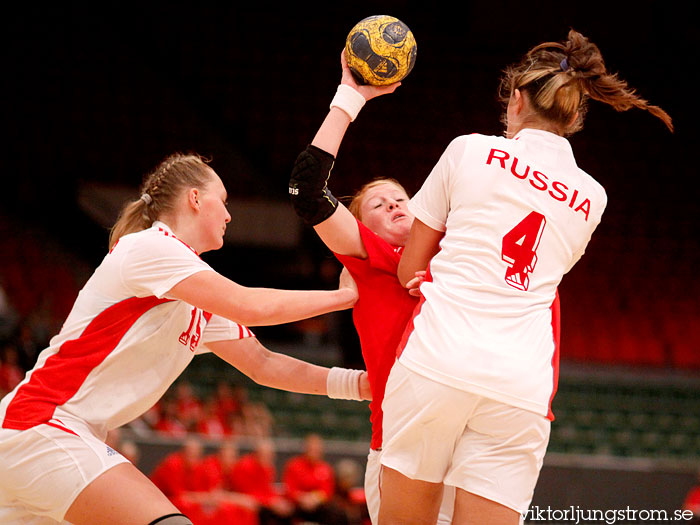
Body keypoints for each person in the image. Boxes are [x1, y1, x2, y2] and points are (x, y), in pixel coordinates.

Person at [377, 29, 673, 525]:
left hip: (437, 359)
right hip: (520, 385)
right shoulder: (593, 197)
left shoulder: (468, 150)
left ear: (516, 100)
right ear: (576, 114)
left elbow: (410, 265)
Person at [0, 152, 372, 525]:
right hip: (44, 425)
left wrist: (361, 385)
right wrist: (342, 297)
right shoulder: (151, 247)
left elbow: (264, 364)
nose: (228, 215)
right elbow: (249, 305)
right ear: (194, 199)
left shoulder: (191, 292)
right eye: (223, 202)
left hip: (46, 437)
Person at [288, 51, 457, 523]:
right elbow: (306, 189)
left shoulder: (456, 252)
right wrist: (350, 97)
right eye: (379, 205)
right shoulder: (368, 259)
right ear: (363, 230)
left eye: (400, 198)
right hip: (400, 443)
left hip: (464, 444)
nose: (395, 205)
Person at [282, 433, 338, 523]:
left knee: (336, 512)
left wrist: (315, 498)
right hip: (297, 504)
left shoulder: (325, 468)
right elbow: (290, 489)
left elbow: (327, 491)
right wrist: (302, 498)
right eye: (312, 448)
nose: (314, 451)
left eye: (317, 449)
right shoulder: (293, 465)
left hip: (318, 506)